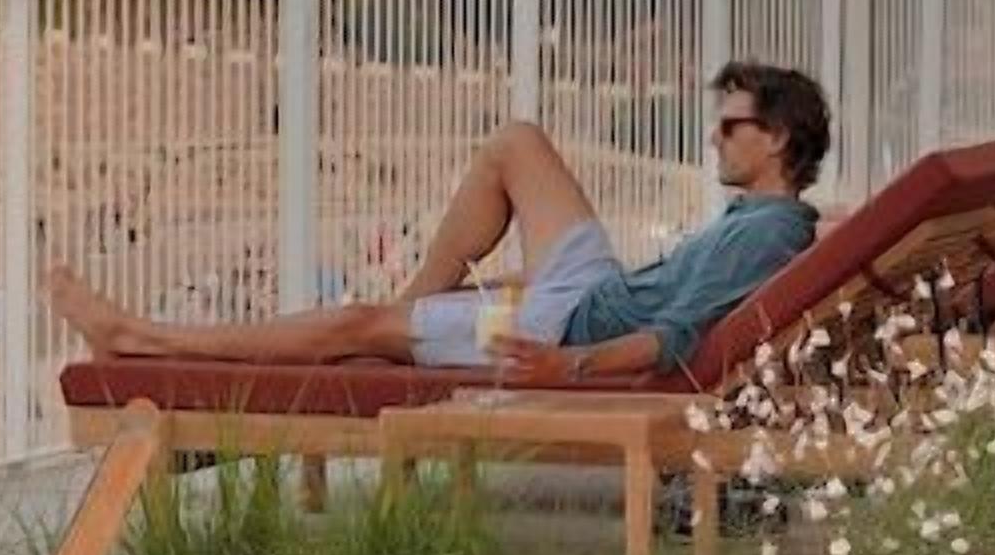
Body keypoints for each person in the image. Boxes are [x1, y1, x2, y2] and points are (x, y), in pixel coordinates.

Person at [50, 63, 829, 384]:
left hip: (561, 325)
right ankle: (417, 310)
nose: (713, 139)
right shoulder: (759, 217)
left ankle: (142, 340)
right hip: (593, 287)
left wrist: (575, 366)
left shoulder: (768, 234)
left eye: (731, 128)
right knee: (516, 144)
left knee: (353, 323)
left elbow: (677, 338)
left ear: (780, 139)